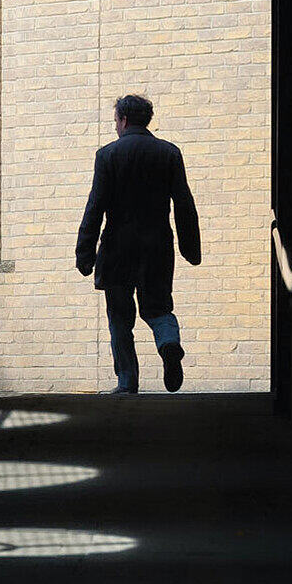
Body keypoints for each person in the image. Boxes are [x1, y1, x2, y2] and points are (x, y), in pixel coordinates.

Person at [75, 94, 202, 394]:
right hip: (157, 247)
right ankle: (169, 344)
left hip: (118, 249)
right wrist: (190, 248)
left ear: (123, 120)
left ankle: (127, 381)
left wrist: (85, 253)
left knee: (120, 318)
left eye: (115, 121)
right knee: (158, 308)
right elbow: (184, 204)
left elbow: (95, 207)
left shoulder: (107, 156)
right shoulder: (169, 153)